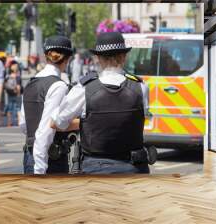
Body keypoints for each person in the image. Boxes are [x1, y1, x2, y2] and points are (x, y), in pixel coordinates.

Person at [50, 32, 150, 174]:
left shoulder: (84, 89)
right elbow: (141, 117)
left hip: (95, 167)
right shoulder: (141, 87)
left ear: (98, 58)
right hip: (134, 167)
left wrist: (86, 121)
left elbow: (57, 123)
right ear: (124, 57)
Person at [19, 35, 77, 174]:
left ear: (46, 56)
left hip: (29, 155)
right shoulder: (58, 86)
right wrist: (40, 168)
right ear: (68, 59)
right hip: (49, 160)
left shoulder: (31, 83)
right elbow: (46, 130)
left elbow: (23, 125)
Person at [4, 61, 22, 126]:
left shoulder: (8, 76)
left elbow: (5, 84)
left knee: (9, 108)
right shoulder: (17, 76)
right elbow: (18, 86)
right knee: (18, 108)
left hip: (9, 93)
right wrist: (19, 94)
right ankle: (19, 122)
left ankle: (9, 123)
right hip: (16, 93)